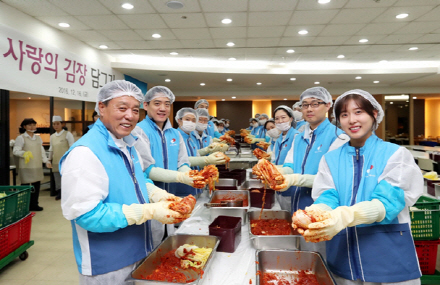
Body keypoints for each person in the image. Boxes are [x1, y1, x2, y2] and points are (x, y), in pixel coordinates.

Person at [60, 80, 188, 284]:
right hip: (108, 263)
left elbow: (137, 180)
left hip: (138, 251)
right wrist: (148, 211)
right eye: (122, 108)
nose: (130, 116)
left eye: (135, 110)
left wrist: (157, 194)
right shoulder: (85, 153)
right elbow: (87, 215)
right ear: (101, 107)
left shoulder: (127, 144)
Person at [304, 89, 422, 285]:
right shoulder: (331, 159)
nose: (351, 120)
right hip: (344, 256)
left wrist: (345, 216)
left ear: (374, 114)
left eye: (358, 112)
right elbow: (327, 194)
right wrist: (319, 211)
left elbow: (387, 203)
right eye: (344, 114)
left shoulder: (396, 155)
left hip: (387, 257)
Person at [278, 87, 349, 255]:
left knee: (318, 258)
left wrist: (295, 180)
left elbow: (332, 180)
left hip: (321, 210)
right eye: (305, 105)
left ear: (328, 105)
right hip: (297, 206)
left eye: (315, 104)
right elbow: (289, 165)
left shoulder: (339, 137)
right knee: (300, 256)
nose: (309, 109)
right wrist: (278, 173)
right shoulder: (299, 137)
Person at [175, 107, 226, 196]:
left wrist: (208, 150)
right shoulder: (175, 137)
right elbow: (180, 160)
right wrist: (206, 159)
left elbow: (195, 154)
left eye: (193, 120)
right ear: (179, 120)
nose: (190, 123)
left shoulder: (190, 138)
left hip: (195, 183)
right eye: (187, 119)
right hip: (181, 185)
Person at [13, 118, 51, 211]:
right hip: (26, 166)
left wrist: (46, 161)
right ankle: (24, 206)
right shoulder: (21, 138)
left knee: (36, 185)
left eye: (34, 125)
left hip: (36, 165)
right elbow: (15, 151)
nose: (32, 127)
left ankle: (34, 204)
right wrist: (24, 153)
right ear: (24, 127)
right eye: (29, 125)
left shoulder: (38, 137)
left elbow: (41, 151)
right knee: (25, 186)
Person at [271, 105, 299, 212]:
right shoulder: (279, 139)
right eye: (277, 119)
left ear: (291, 119)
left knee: (290, 215)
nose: (280, 121)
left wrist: (280, 170)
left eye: (283, 118)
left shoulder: (296, 136)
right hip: (278, 183)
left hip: (290, 184)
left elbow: (294, 162)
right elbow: (274, 159)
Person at [49, 115, 74, 200]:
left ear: (61, 124)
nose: (56, 126)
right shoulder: (52, 136)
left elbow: (72, 146)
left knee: (66, 177)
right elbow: (51, 148)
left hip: (65, 160)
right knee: (57, 177)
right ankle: (59, 193)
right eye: (54, 124)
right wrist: (49, 159)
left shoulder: (67, 134)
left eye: (57, 124)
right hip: (55, 160)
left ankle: (67, 193)